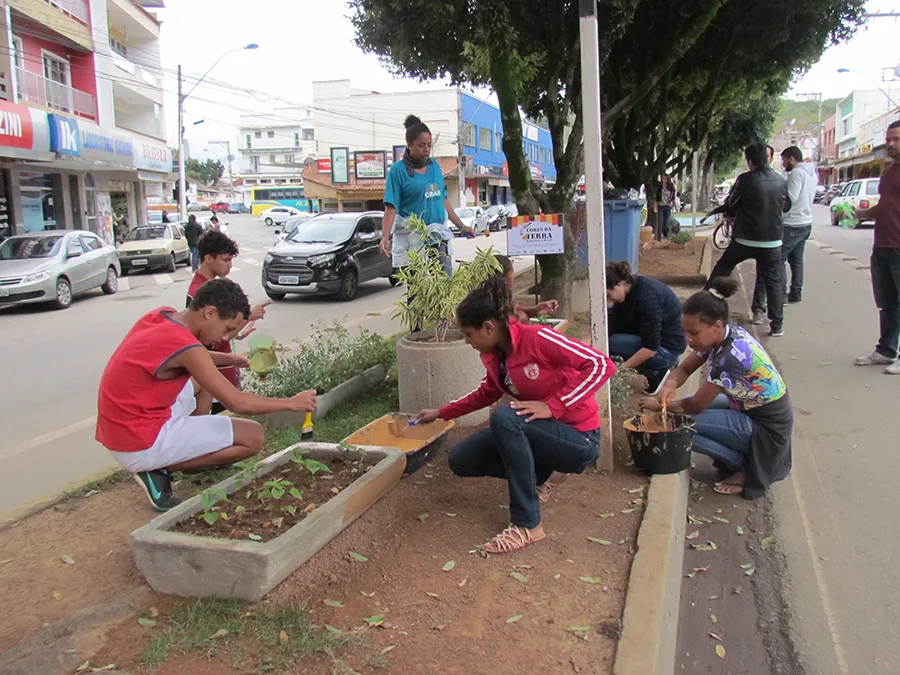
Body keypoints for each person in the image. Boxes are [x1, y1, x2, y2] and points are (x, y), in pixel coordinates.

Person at [414, 276, 615, 554]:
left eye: (468, 334)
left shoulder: (538, 338)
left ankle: (528, 525)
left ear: (488, 327)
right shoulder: (498, 355)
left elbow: (599, 364)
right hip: (540, 433)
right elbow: (486, 393)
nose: (467, 341)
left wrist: (554, 405)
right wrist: (441, 412)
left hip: (578, 440)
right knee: (462, 461)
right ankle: (539, 474)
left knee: (504, 417)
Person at [96, 278, 316, 511]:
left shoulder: (163, 316)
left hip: (122, 427)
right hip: (139, 443)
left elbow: (187, 356)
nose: (224, 338)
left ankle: (187, 445)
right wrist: (291, 403)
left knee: (202, 384)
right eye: (228, 328)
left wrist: (229, 359)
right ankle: (159, 469)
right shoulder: (186, 347)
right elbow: (238, 402)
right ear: (210, 313)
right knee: (253, 436)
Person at [640, 277, 793, 499]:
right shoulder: (724, 336)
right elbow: (684, 369)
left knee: (681, 426)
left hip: (766, 425)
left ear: (717, 326)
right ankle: (738, 454)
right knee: (684, 416)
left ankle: (744, 467)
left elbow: (695, 404)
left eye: (693, 333)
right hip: (746, 405)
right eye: (685, 332)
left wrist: (660, 406)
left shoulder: (730, 357)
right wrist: (670, 384)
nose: (688, 339)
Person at [706, 143, 791, 337]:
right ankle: (777, 325)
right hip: (772, 242)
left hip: (745, 239)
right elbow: (786, 206)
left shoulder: (745, 180)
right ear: (768, 159)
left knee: (722, 269)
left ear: (749, 161)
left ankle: (705, 306)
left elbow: (732, 203)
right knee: (773, 282)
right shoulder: (781, 181)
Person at [380, 115, 474, 278]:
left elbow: (442, 200)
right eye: (421, 145)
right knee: (418, 292)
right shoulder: (397, 171)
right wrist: (385, 236)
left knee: (445, 286)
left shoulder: (434, 166)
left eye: (429, 145)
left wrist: (461, 226)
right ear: (409, 144)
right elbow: (391, 207)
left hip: (438, 237)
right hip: (413, 240)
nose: (426, 150)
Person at [187, 230, 269, 414]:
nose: (230, 265)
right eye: (225, 260)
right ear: (208, 258)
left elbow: (222, 333)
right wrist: (249, 316)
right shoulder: (201, 292)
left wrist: (239, 332)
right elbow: (215, 339)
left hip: (220, 368)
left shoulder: (208, 287)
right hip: (214, 373)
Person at [749, 146, 816, 321]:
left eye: (784, 160)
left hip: (791, 223)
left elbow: (788, 200)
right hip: (805, 222)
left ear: (792, 159)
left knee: (772, 263)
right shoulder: (811, 173)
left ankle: (774, 300)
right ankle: (795, 293)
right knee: (796, 261)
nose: (783, 164)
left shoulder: (796, 174)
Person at [855, 120, 900, 373]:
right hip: (882, 245)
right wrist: (862, 214)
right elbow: (886, 205)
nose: (890, 144)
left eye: (896, 139)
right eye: (889, 139)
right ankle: (886, 350)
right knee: (887, 302)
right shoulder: (890, 170)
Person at [606, 261, 686, 393]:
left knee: (609, 345)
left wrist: (619, 370)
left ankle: (657, 371)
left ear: (619, 284)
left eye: (609, 295)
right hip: (653, 342)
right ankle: (654, 368)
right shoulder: (626, 294)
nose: (609, 300)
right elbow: (611, 326)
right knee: (604, 342)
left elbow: (650, 348)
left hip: (667, 350)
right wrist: (585, 343)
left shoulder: (648, 298)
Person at [494, 254, 558, 323]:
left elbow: (512, 307)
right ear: (505, 277)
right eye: (512, 271)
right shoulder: (495, 306)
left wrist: (536, 310)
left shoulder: (498, 298)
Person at [656, 175, 676, 240]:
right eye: (662, 178)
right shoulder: (659, 187)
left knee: (666, 224)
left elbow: (673, 198)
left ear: (667, 179)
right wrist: (655, 206)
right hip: (660, 206)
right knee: (660, 223)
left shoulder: (671, 188)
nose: (663, 180)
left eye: (664, 178)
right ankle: (662, 238)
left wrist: (675, 206)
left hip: (668, 207)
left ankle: (668, 235)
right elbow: (656, 197)